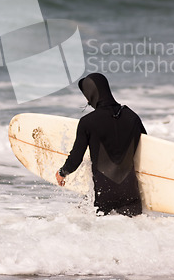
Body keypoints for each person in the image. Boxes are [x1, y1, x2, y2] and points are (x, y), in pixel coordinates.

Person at [55, 73, 147, 216]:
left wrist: (62, 172)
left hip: (104, 195)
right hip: (131, 195)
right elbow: (147, 150)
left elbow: (76, 158)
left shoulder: (88, 122)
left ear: (92, 93)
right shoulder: (132, 117)